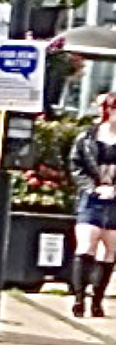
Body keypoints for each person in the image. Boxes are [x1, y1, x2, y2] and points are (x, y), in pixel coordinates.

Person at [68, 93, 116, 317]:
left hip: (114, 200)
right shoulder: (87, 137)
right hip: (92, 199)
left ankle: (97, 301)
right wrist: (91, 187)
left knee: (109, 250)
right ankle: (79, 299)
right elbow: (76, 166)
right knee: (86, 244)